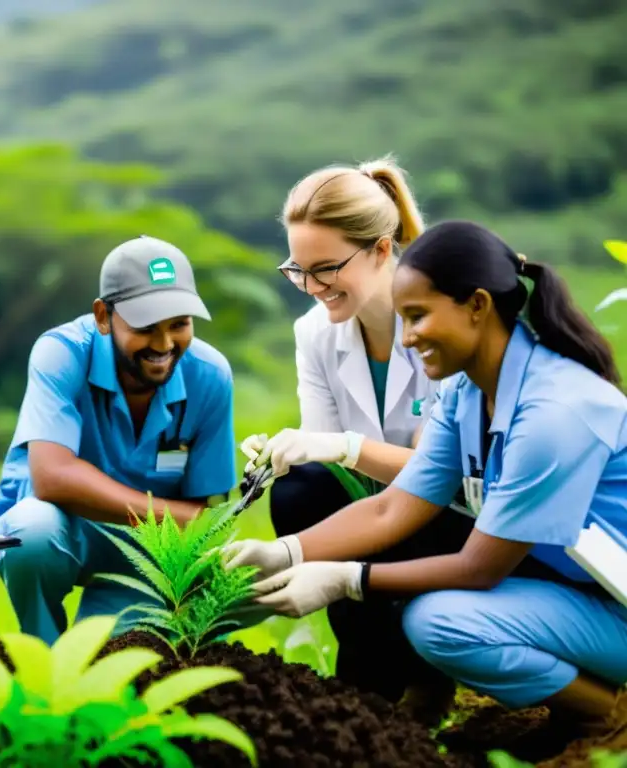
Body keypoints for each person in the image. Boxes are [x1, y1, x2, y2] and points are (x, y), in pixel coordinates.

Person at [229, 220, 627, 738]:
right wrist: (287, 553)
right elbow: (392, 508)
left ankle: (603, 713)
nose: (409, 338)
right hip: (578, 587)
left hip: (615, 603)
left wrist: (346, 580)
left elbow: (478, 568)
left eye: (418, 317)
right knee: (428, 601)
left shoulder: (554, 409)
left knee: (439, 623)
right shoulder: (466, 394)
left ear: (477, 305)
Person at [232, 156, 471, 713]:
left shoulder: (441, 325)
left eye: (326, 269)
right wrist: (286, 454)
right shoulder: (315, 332)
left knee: (392, 503)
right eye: (298, 270)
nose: (310, 287)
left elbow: (438, 475)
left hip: (457, 516)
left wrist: (340, 446)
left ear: (382, 250)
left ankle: (426, 673)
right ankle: (368, 671)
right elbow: (325, 457)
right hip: (377, 505)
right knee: (299, 491)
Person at [0, 235, 237, 645]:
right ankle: (39, 656)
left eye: (179, 324)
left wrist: (169, 521)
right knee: (33, 531)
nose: (164, 344)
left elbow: (202, 514)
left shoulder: (210, 376)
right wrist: (164, 512)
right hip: (63, 527)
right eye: (146, 327)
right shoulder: (61, 353)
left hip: (145, 552)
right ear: (103, 316)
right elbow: (52, 478)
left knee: (117, 658)